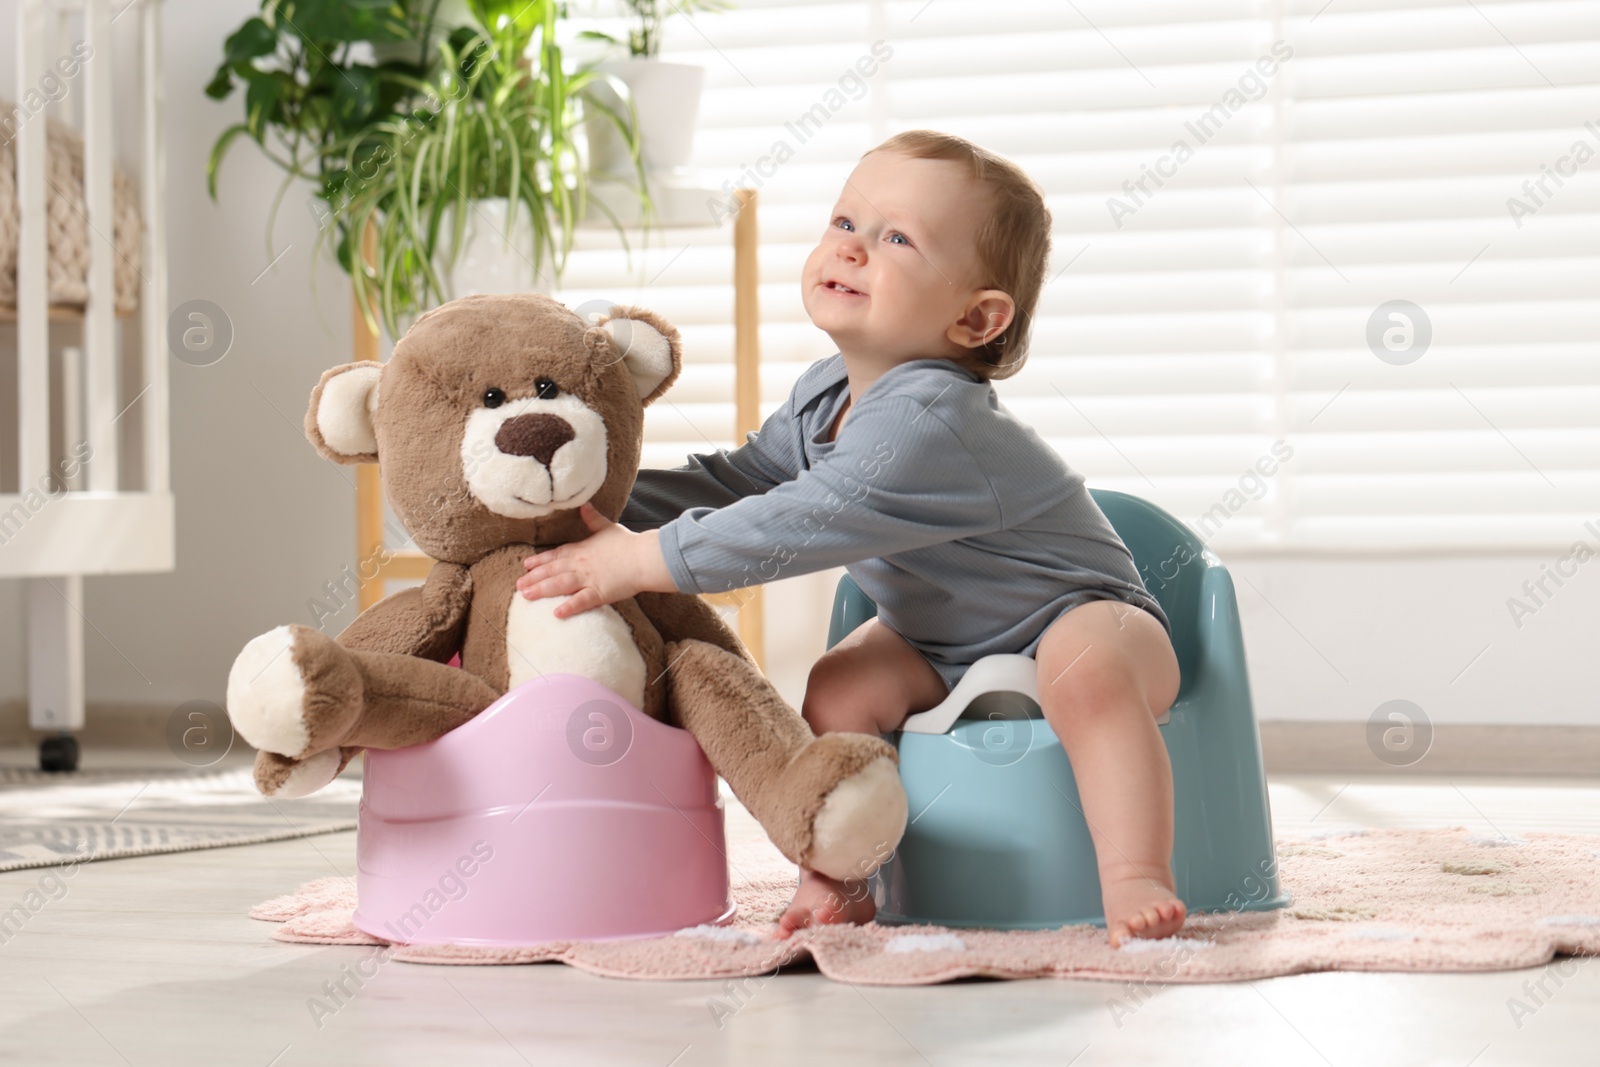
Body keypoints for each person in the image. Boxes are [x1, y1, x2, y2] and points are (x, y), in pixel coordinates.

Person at [515, 130, 1185, 947]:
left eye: (896, 238)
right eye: (845, 222)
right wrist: (601, 495)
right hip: (938, 643)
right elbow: (743, 483)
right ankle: (841, 880)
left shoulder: (933, 417)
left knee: (1085, 672)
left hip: (1083, 611)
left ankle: (1135, 875)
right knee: (837, 688)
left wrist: (635, 560)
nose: (853, 249)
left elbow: (799, 520)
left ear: (975, 317)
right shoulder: (824, 393)